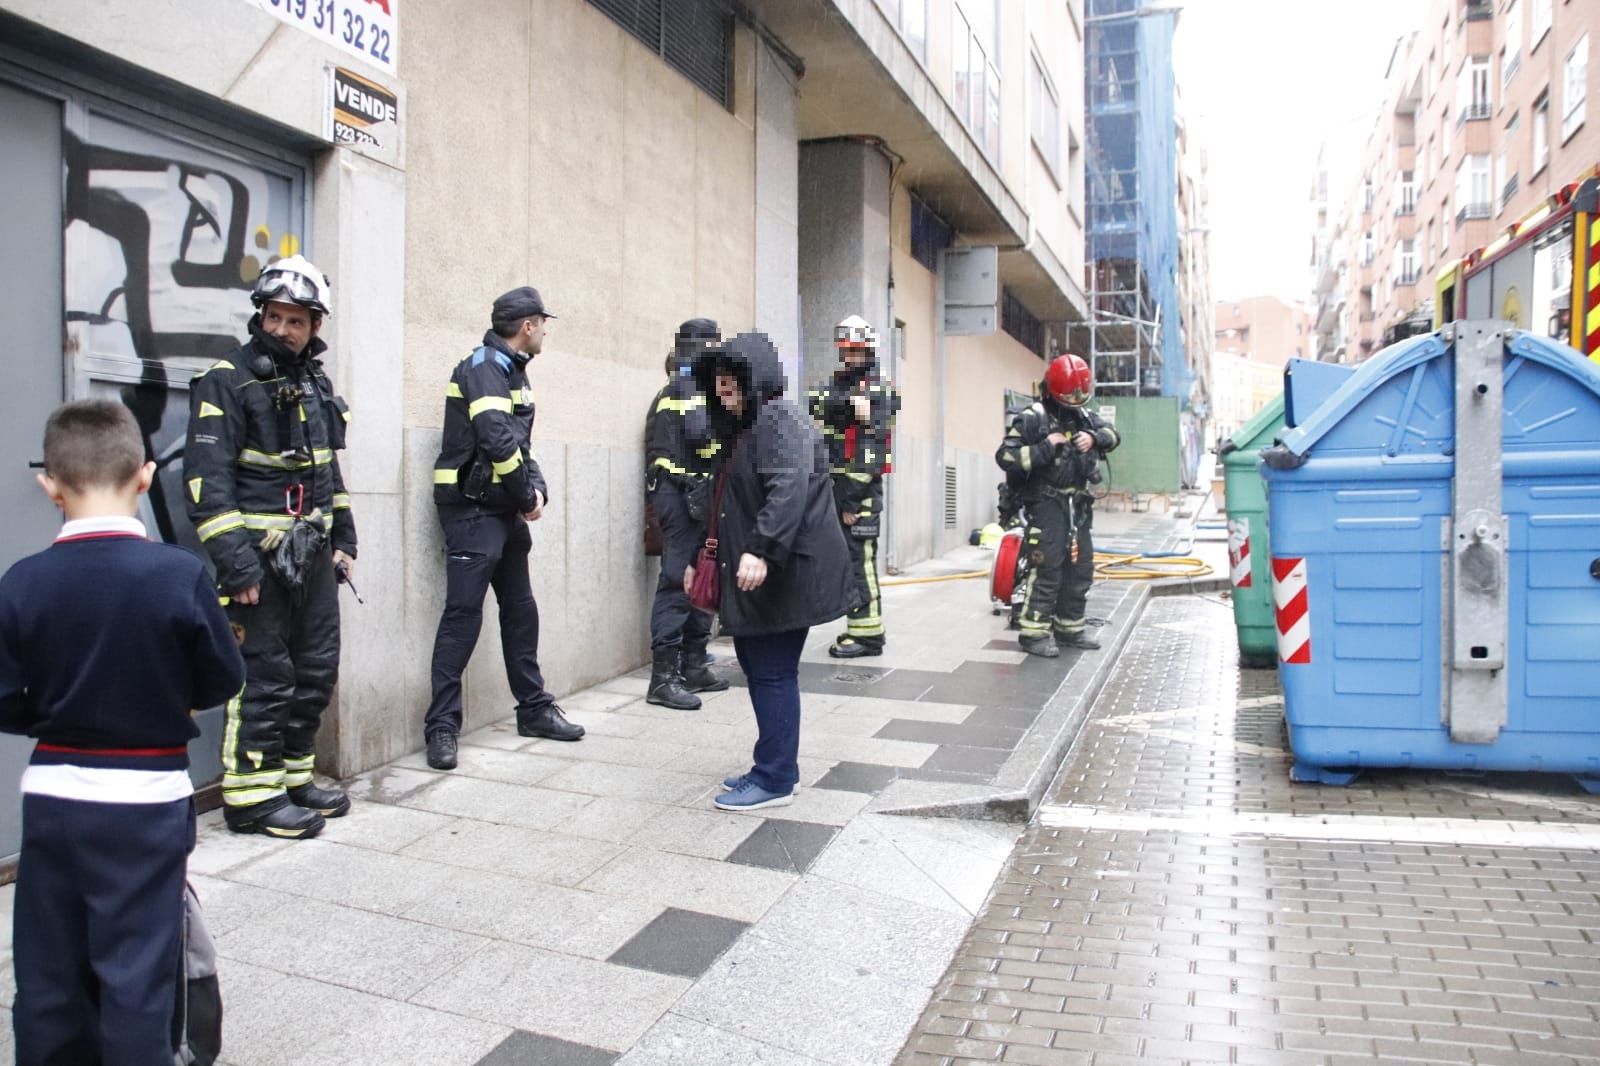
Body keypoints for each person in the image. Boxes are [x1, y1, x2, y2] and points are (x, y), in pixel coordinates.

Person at [0, 401, 245, 1064]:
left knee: (48, 969)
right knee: (137, 973)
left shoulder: (22, 583)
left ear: (48, 484)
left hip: (54, 797)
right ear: (145, 476)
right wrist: (171, 701)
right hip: (147, 797)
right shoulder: (180, 576)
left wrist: (48, 716)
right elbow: (222, 679)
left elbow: (2, 699)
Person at [185, 255, 357, 838]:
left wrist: (344, 539)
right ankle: (251, 798)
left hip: (313, 555)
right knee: (263, 677)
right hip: (258, 561)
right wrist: (237, 567)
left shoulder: (315, 381)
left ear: (315, 326)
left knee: (314, 672)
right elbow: (207, 484)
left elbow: (326, 471)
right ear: (260, 316)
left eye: (296, 321)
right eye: (274, 318)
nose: (282, 330)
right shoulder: (226, 380)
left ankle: (292, 777)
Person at [686, 332, 857, 811]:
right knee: (764, 669)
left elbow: (788, 489)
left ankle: (776, 778)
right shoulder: (752, 426)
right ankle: (774, 765)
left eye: (729, 382)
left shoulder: (780, 420)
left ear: (753, 377)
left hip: (784, 573)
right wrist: (703, 556)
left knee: (772, 672)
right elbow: (730, 502)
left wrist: (760, 549)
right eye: (716, 384)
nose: (722, 392)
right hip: (771, 572)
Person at [423, 286, 585, 771]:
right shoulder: (485, 367)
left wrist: (536, 491)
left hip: (503, 511)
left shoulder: (512, 371)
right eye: (543, 324)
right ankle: (442, 727)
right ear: (528, 325)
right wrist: (524, 495)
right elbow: (495, 439)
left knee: (520, 609)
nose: (545, 333)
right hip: (472, 513)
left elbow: (520, 444)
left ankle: (533, 709)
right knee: (462, 617)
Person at [995, 353, 1120, 658]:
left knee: (1080, 568)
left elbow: (1113, 436)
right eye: (1068, 400)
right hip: (1046, 503)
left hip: (1078, 505)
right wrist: (1044, 448)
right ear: (1051, 391)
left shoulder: (1085, 416)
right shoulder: (1032, 417)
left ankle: (1070, 629)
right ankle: (1034, 633)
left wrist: (1093, 437)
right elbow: (1005, 457)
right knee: (1047, 566)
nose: (1073, 407)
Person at [643, 318, 730, 710]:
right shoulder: (688, 384)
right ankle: (663, 678)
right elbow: (703, 437)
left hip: (691, 495)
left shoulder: (682, 384)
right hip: (681, 497)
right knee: (678, 581)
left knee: (701, 579)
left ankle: (693, 663)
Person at [808, 314, 901, 659]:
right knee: (848, 563)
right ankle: (860, 629)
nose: (849, 358)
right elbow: (814, 402)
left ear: (869, 351)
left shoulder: (881, 390)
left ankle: (868, 635)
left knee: (859, 564)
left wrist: (850, 501)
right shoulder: (843, 387)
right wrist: (848, 406)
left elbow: (871, 456)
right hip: (838, 491)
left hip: (856, 497)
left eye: (856, 352)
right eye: (845, 351)